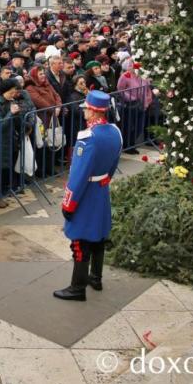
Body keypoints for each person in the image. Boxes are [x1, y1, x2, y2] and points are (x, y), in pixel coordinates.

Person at [54, 91, 121, 301]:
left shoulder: (88, 137)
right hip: (101, 190)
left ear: (93, 111)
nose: (84, 112)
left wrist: (69, 203)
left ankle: (77, 288)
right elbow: (113, 165)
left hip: (86, 194)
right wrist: (104, 180)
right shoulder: (114, 131)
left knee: (80, 242)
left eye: (86, 109)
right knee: (99, 236)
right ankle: (96, 277)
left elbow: (78, 175)